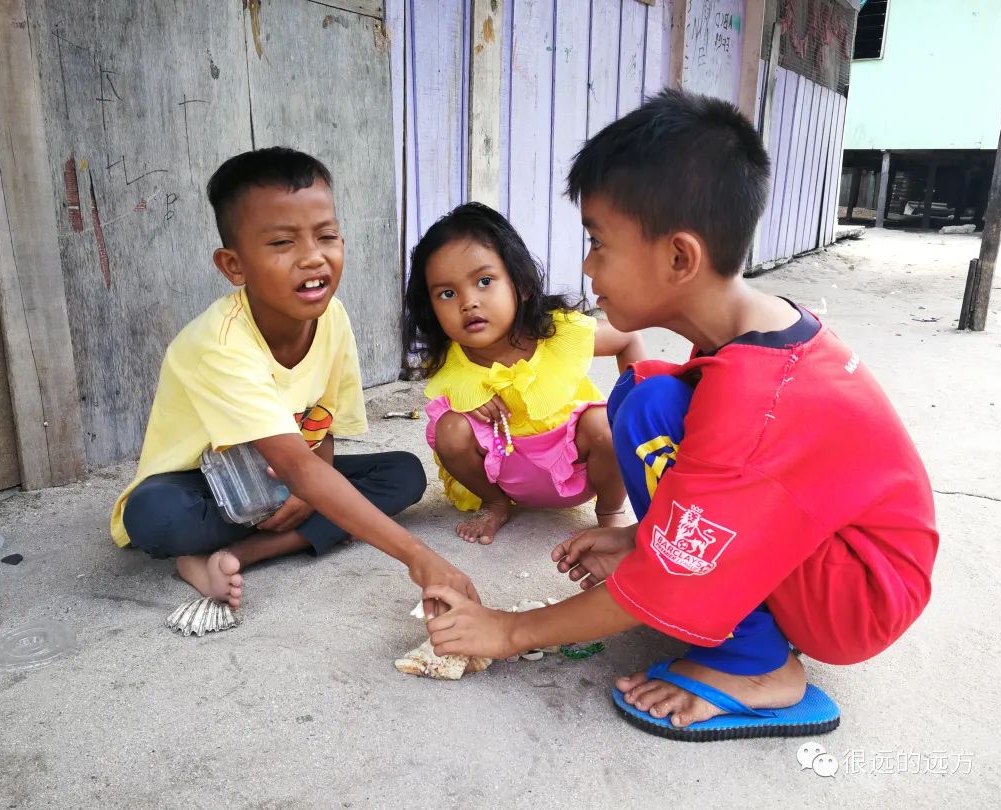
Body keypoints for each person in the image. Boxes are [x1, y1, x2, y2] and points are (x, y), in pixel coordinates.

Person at [421, 90, 939, 741]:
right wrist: (643, 540)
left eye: (599, 243)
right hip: (836, 555)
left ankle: (757, 668)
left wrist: (509, 629)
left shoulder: (754, 398)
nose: (586, 266)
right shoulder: (749, 332)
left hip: (859, 595)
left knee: (654, 424)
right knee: (647, 396)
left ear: (678, 258)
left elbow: (687, 562)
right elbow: (743, 492)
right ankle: (725, 613)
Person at [110, 147, 476, 616]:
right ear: (233, 266)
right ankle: (200, 548)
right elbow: (299, 470)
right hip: (203, 486)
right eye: (283, 243)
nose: (313, 258)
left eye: (326, 235)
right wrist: (421, 559)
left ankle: (240, 554)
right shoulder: (218, 344)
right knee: (155, 517)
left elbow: (319, 429)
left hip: (281, 477)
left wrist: (307, 489)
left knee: (403, 474)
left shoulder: (333, 318)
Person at [403, 202, 644, 545]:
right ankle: (495, 504)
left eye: (484, 281)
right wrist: (465, 404)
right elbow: (451, 406)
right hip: (505, 474)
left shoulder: (558, 332)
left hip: (578, 467)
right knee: (449, 429)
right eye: (447, 293)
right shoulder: (452, 361)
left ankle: (610, 511)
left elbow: (628, 338)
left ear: (522, 284)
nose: (468, 302)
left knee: (606, 424)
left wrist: (639, 421)